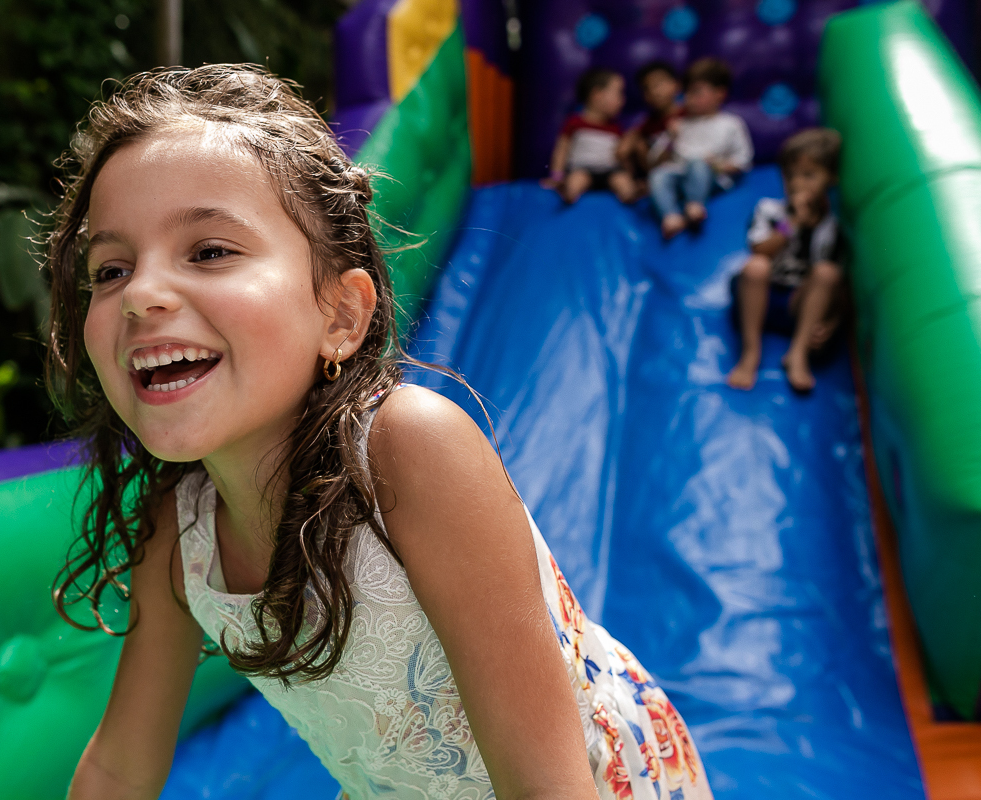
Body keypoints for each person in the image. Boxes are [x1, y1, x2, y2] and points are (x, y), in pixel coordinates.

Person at [48, 64, 712, 800]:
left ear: (339, 315)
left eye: (209, 251)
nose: (141, 294)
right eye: (109, 270)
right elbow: (118, 767)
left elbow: (549, 787)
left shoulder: (410, 451)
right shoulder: (181, 534)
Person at [727, 128, 845, 392]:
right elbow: (760, 250)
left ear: (831, 179)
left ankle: (798, 353)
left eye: (808, 175)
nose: (796, 184)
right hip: (759, 297)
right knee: (756, 267)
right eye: (789, 175)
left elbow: (837, 286)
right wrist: (791, 225)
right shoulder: (770, 210)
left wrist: (832, 321)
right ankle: (750, 352)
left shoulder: (832, 227)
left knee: (827, 273)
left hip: (799, 306)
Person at [647, 58, 753, 239]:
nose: (690, 98)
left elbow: (744, 160)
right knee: (659, 175)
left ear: (719, 94)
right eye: (687, 92)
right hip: (681, 176)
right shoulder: (680, 124)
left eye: (697, 92)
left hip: (714, 177)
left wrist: (718, 165)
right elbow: (653, 160)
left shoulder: (730, 123)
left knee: (697, 163)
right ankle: (670, 216)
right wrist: (670, 139)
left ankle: (695, 204)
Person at [542, 68, 638, 204]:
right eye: (619, 93)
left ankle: (630, 194)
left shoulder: (616, 127)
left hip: (610, 170)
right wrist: (557, 176)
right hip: (582, 168)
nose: (623, 100)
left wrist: (630, 173)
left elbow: (620, 155)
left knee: (622, 180)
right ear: (597, 95)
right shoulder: (575, 123)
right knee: (576, 180)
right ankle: (568, 192)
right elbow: (562, 150)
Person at [625, 60, 683, 184]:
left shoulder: (690, 114)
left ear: (676, 84)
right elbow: (623, 150)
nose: (654, 92)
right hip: (662, 177)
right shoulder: (646, 126)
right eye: (646, 88)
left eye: (659, 84)